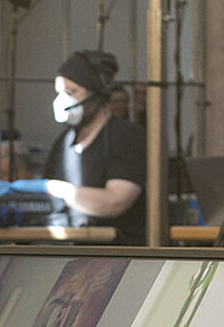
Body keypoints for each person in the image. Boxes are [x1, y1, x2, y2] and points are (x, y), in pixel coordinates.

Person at [41, 50, 148, 245]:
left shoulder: (126, 136)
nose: (63, 100)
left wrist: (57, 190)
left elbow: (116, 202)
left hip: (117, 254)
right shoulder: (63, 142)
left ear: (97, 93)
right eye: (59, 92)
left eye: (71, 92)